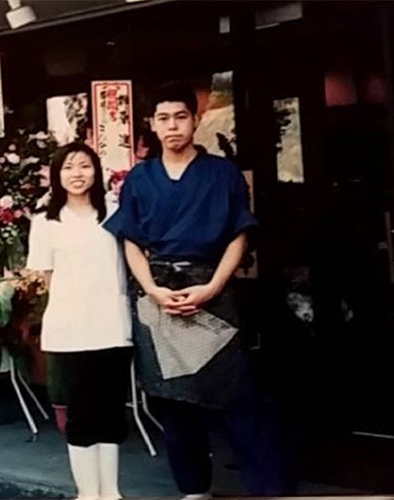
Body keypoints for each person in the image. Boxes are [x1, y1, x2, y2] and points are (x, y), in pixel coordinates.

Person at [103, 82, 290, 498]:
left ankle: (268, 490)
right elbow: (130, 240)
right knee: (173, 402)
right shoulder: (140, 177)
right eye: (163, 118)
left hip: (212, 290)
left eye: (180, 117)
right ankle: (193, 489)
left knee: (236, 396)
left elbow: (239, 235)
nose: (172, 126)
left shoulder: (222, 173)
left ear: (196, 119)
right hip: (158, 295)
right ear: (152, 124)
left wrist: (213, 286)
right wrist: (151, 289)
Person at [26, 142, 133, 500]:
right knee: (81, 415)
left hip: (113, 327)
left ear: (96, 171)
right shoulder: (45, 222)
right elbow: (47, 279)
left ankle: (111, 492)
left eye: (85, 165)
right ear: (57, 175)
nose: (77, 174)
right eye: (68, 167)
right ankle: (87, 493)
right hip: (70, 331)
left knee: (111, 413)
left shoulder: (114, 213)